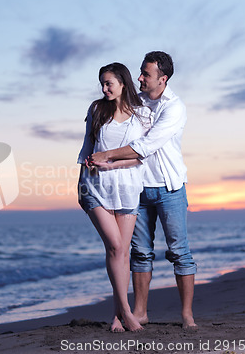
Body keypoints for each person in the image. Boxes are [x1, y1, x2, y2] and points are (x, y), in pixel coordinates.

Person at [88, 51, 197, 330]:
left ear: (163, 78)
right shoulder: (135, 104)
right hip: (136, 189)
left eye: (145, 74)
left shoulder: (175, 107)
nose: (139, 78)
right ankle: (139, 313)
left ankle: (186, 315)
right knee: (139, 252)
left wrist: (106, 156)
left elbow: (145, 146)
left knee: (179, 251)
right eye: (139, 72)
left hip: (169, 187)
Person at [77, 62, 151, 332]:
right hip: (94, 186)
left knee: (123, 252)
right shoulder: (97, 109)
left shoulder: (141, 114)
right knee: (115, 247)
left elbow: (140, 155)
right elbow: (87, 145)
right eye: (102, 84)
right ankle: (127, 312)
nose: (104, 88)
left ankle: (118, 316)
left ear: (123, 82)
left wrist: (113, 164)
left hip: (127, 187)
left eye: (109, 83)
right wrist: (80, 180)